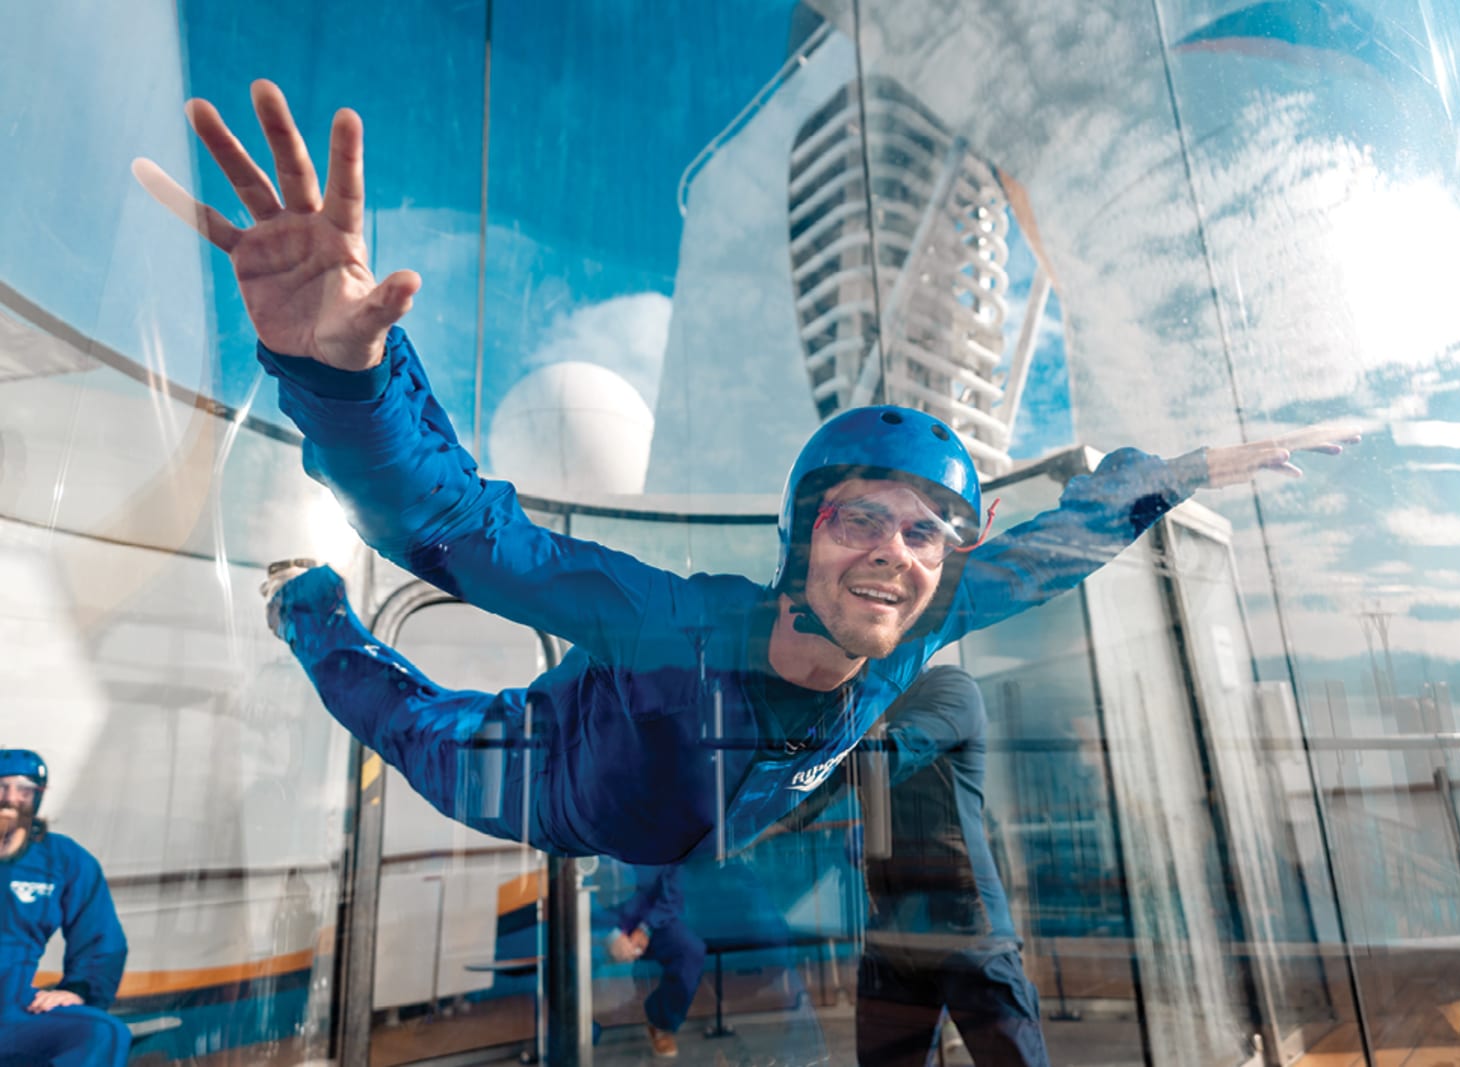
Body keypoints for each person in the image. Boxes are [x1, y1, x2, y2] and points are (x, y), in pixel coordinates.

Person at [136, 80, 1353, 869]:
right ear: (799, 540)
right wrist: (342, 376)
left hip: (710, 824)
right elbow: (454, 523)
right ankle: (306, 611)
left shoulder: (929, 619)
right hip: (561, 779)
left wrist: (1170, 473)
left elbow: (1051, 548)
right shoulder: (669, 621)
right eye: (859, 517)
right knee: (401, 723)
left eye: (928, 532)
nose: (893, 548)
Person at [778, 666, 1049, 1065]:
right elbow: (802, 804)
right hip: (890, 929)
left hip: (965, 925)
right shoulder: (861, 712)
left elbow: (887, 757)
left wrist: (824, 740)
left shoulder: (948, 688)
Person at [0, 750, 132, 1067]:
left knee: (105, 1033)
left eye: (24, 790)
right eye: (1, 787)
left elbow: (101, 937)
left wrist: (78, 989)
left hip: (12, 1011)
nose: (10, 798)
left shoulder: (61, 859)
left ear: (38, 796)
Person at [602, 865, 704, 1058]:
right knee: (566, 957)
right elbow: (577, 890)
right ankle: (576, 1036)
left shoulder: (662, 838)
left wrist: (646, 927)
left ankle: (661, 1022)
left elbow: (671, 893)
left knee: (690, 951)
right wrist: (610, 934)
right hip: (595, 923)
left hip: (648, 922)